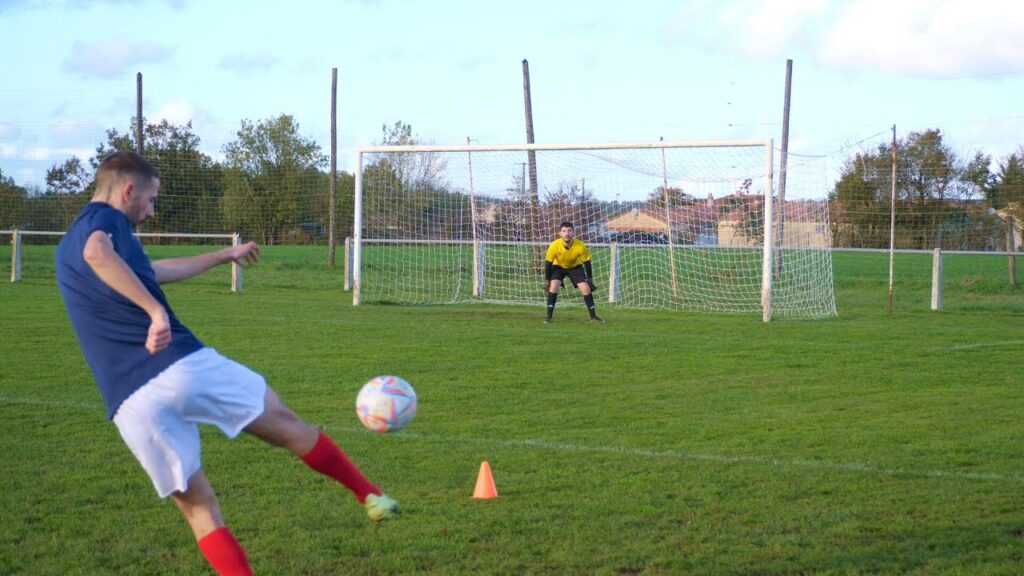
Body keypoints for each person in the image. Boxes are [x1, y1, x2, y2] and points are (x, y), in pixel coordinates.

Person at [55, 151, 397, 576]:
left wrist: (220, 256)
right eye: (150, 199)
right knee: (288, 424)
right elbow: (97, 254)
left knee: (201, 511)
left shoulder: (69, 240)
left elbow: (150, 271)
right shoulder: (105, 225)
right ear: (128, 191)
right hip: (178, 366)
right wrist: (155, 313)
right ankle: (370, 495)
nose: (151, 210)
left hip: (129, 403)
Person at [543, 221, 604, 323]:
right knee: (553, 286)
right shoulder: (554, 245)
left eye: (569, 231)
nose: (567, 233)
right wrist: (548, 280)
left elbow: (587, 263)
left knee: (586, 289)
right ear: (560, 233)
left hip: (575, 268)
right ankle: (548, 316)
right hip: (558, 267)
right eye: (564, 231)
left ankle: (593, 317)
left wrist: (589, 279)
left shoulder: (580, 246)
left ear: (573, 233)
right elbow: (548, 264)